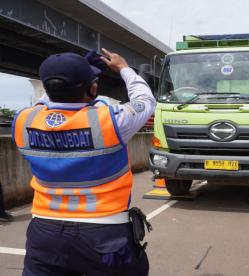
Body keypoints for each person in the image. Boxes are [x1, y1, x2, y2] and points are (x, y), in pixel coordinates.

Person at [13, 49, 155, 275]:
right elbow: (145, 100)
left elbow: (45, 100)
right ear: (93, 88)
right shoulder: (111, 120)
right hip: (105, 234)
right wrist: (124, 68)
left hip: (44, 232)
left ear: (48, 87)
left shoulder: (23, 120)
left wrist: (65, 74)